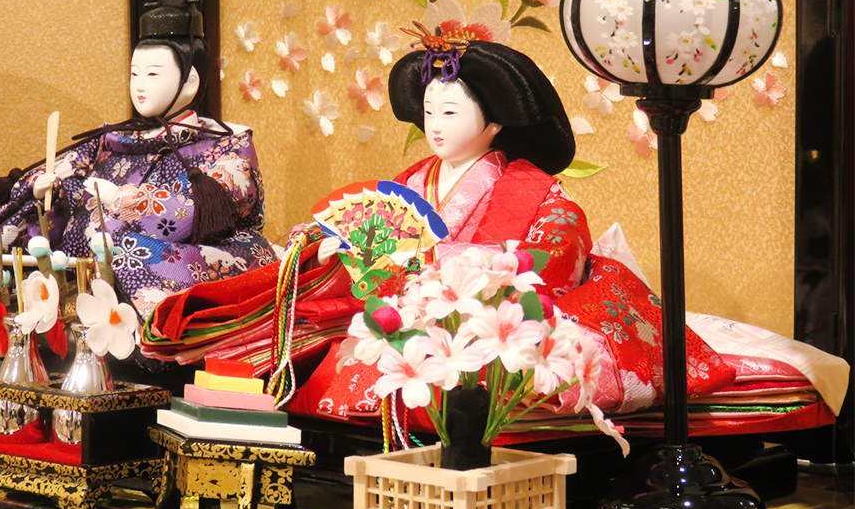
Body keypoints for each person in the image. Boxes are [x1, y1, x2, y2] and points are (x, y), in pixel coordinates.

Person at [289, 35, 736, 425]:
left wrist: (445, 266)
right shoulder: (409, 184)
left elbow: (557, 247)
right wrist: (334, 250)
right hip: (411, 315)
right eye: (428, 112)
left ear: (496, 122)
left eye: (449, 111)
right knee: (326, 352)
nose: (435, 126)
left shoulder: (532, 190)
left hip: (481, 320)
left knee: (487, 368)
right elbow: (371, 248)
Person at [0, 0, 275, 342]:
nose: (140, 87)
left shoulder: (225, 142)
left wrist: (127, 202)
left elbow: (218, 207)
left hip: (186, 256)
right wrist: (50, 190)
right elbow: (61, 180)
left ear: (190, 80)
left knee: (123, 249)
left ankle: (157, 336)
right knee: (28, 233)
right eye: (134, 74)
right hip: (89, 267)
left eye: (153, 74)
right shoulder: (112, 138)